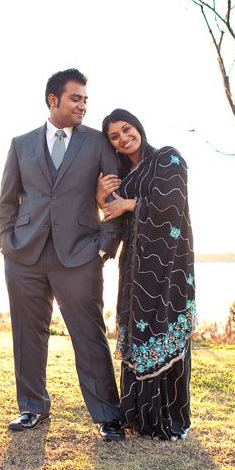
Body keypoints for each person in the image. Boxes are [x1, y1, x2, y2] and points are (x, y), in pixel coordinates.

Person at [0, 68, 125, 441]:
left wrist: (104, 246)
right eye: (76, 98)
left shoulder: (99, 142)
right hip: (25, 256)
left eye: (85, 99)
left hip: (79, 255)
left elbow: (113, 200)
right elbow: (7, 200)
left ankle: (107, 416)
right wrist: (6, 241)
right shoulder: (21, 144)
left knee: (89, 334)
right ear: (53, 100)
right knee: (27, 333)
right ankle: (31, 407)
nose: (83, 105)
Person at [96, 109, 195, 441]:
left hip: (168, 268)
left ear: (137, 127)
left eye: (126, 129)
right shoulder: (124, 178)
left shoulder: (167, 158)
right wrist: (104, 201)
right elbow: (117, 224)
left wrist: (128, 204)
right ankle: (140, 417)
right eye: (114, 136)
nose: (124, 138)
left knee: (165, 334)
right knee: (139, 339)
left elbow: (172, 203)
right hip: (135, 271)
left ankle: (171, 421)